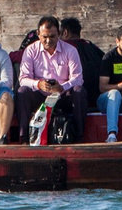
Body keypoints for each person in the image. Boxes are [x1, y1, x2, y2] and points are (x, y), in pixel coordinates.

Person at [13, 15, 84, 143]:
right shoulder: (30, 50)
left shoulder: (70, 50)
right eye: (44, 37)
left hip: (62, 95)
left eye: (52, 36)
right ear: (38, 34)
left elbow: (78, 79)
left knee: (79, 91)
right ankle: (24, 137)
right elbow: (23, 79)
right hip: (40, 96)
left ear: (59, 34)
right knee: (22, 91)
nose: (48, 41)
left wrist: (62, 87)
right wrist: (38, 84)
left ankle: (79, 136)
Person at [59, 17, 109, 129]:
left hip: (74, 101)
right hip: (96, 99)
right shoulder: (92, 47)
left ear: (65, 32)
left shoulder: (64, 49)